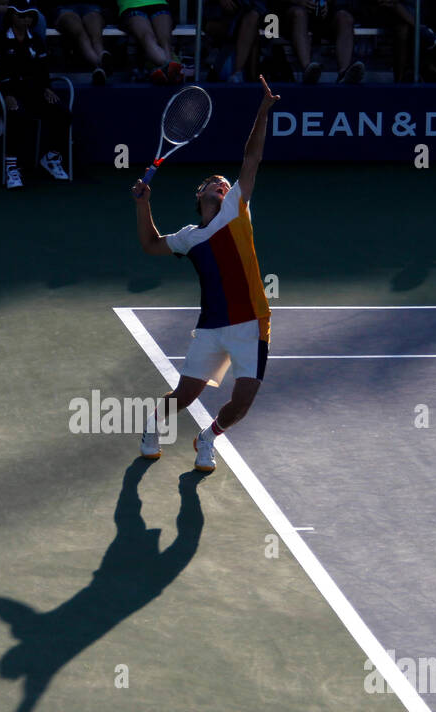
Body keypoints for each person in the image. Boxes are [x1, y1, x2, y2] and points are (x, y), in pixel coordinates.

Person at [130, 77, 279, 473]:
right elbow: (150, 243)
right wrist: (143, 204)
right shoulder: (188, 238)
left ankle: (209, 437)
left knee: (243, 401)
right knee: (184, 395)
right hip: (213, 327)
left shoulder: (236, 210)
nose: (221, 183)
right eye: (213, 182)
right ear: (199, 195)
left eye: (225, 183)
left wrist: (262, 111)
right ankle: (152, 427)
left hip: (252, 323)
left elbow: (252, 158)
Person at [0, 5, 72, 188]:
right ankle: (11, 167)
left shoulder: (36, 41)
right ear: (11, 16)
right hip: (5, 95)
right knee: (16, 114)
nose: (26, 20)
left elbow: (43, 71)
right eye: (21, 15)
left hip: (33, 94)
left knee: (63, 112)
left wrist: (47, 88)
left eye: (29, 16)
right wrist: (5, 95)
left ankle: (51, 158)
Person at [117, 0, 181, 84]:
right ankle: (168, 67)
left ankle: (165, 68)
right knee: (148, 37)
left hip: (159, 3)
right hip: (131, 5)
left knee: (164, 40)